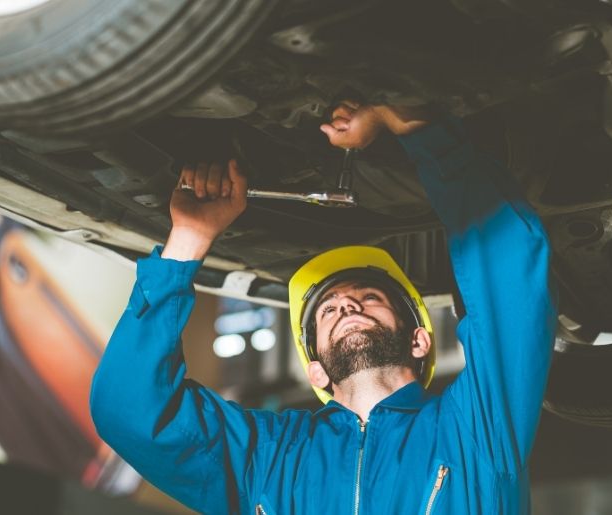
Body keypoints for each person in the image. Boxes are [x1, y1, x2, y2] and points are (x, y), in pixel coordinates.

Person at [90, 103, 556, 515]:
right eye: (328, 311)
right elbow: (130, 409)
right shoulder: (270, 457)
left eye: (370, 298)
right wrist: (188, 239)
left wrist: (416, 126)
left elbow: (509, 274)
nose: (346, 303)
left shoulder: (474, 430)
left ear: (420, 340)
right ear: (316, 372)